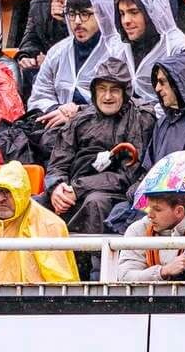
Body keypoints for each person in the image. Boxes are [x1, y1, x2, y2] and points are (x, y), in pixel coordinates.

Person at [42, 53, 152, 235]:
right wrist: (57, 188)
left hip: (112, 192)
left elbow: (128, 176)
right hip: (72, 187)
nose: (107, 96)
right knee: (35, 204)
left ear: (125, 92)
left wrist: (78, 188)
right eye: (102, 89)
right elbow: (58, 163)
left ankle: (90, 262)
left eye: (114, 90)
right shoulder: (81, 119)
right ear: (94, 92)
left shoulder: (139, 119)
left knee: (95, 203)